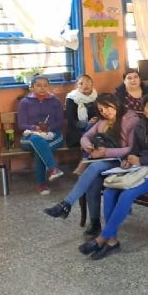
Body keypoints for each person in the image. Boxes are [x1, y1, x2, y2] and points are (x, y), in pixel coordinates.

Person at [77, 93, 148, 260]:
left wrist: (142, 160)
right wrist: (128, 160)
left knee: (128, 193)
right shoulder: (141, 124)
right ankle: (112, 241)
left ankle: (103, 237)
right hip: (139, 168)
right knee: (111, 190)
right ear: (144, 110)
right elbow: (134, 148)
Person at [43, 93, 139, 237]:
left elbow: (131, 149)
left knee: (94, 167)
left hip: (123, 161)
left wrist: (105, 152)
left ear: (116, 103)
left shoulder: (131, 120)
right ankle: (95, 223)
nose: (105, 112)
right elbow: (85, 136)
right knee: (93, 181)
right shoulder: (103, 121)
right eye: (101, 110)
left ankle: (66, 204)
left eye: (107, 107)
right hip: (106, 161)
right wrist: (87, 146)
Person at [17, 76, 65, 194]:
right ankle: (53, 169)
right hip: (30, 136)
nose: (42, 88)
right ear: (32, 87)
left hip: (52, 135)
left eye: (45, 85)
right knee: (38, 142)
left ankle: (42, 184)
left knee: (40, 149)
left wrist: (48, 128)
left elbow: (60, 122)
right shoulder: (25, 102)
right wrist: (34, 128)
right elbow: (21, 124)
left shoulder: (55, 101)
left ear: (48, 87)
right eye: (38, 85)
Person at [64, 74, 99, 148]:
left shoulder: (96, 97)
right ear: (77, 86)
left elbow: (100, 115)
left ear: (92, 84)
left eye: (88, 82)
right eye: (81, 83)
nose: (85, 85)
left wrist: (96, 119)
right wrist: (86, 124)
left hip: (94, 128)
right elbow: (71, 121)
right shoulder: (71, 98)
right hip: (76, 130)